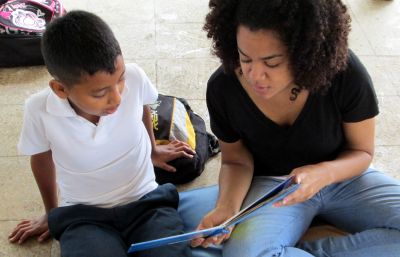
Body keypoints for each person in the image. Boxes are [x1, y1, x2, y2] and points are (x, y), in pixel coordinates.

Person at [187, 0, 400, 256]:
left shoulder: (344, 73)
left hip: (344, 178)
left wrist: (324, 173)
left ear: (305, 53)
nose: (255, 75)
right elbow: (235, 161)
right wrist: (227, 208)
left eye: (271, 63)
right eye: (245, 59)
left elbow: (362, 152)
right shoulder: (223, 88)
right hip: (274, 187)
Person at [8, 10, 195, 257]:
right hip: (83, 216)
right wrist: (53, 214)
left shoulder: (136, 77)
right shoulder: (39, 109)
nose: (117, 96)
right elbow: (41, 160)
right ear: (60, 89)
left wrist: (152, 150)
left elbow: (142, 106)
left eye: (121, 79)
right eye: (99, 93)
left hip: (147, 202)